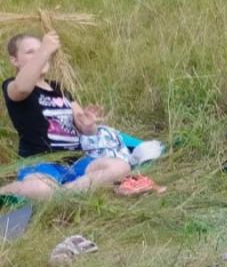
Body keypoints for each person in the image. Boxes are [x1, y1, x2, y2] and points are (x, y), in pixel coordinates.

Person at [1, 32, 130, 201]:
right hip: (40, 164)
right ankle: (9, 190)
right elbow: (23, 88)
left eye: (41, 50)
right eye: (31, 52)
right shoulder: (13, 85)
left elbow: (84, 128)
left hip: (75, 162)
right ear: (14, 60)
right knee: (39, 188)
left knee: (120, 166)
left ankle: (64, 193)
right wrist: (45, 50)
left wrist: (89, 124)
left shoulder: (58, 89)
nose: (41, 54)